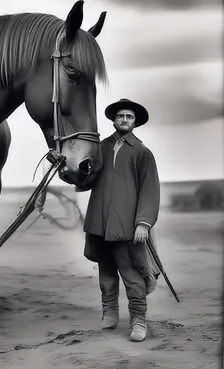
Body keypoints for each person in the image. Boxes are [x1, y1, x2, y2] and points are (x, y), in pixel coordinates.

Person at [83, 98, 161, 342]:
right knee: (106, 272)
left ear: (135, 122)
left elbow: (150, 190)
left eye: (129, 117)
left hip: (127, 226)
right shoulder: (100, 148)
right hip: (100, 222)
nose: (124, 120)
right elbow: (86, 178)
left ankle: (138, 320)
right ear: (114, 120)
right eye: (120, 116)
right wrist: (70, 168)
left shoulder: (142, 152)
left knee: (132, 274)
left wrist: (143, 223)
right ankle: (110, 311)